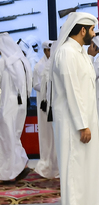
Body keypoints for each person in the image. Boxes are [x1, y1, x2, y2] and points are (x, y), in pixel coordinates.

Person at [51, 12, 99, 205]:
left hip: (87, 121)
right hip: (74, 123)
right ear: (82, 30)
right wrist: (82, 124)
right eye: (92, 30)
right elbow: (72, 91)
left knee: (89, 168)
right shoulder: (66, 53)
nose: (93, 35)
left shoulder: (81, 53)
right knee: (74, 168)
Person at [0, 33, 33, 182]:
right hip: (21, 105)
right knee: (13, 136)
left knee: (6, 138)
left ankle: (8, 173)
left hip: (7, 104)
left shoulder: (4, 62)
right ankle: (20, 166)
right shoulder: (22, 61)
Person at [32, 40, 59, 179]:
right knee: (45, 135)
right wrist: (46, 87)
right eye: (49, 50)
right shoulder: (39, 66)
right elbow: (35, 84)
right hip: (43, 105)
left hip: (54, 104)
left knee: (55, 135)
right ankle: (45, 164)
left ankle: (55, 165)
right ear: (45, 51)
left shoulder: (55, 63)